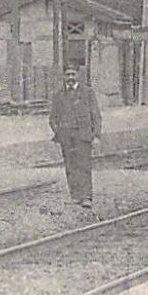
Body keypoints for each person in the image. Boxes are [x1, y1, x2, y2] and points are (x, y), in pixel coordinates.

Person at [49, 64, 102, 207]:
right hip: (66, 137)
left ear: (78, 75)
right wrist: (58, 131)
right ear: (64, 77)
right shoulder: (58, 95)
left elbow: (96, 115)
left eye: (73, 74)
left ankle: (86, 197)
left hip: (83, 136)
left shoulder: (88, 93)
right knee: (70, 167)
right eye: (68, 75)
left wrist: (96, 135)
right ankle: (75, 196)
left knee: (84, 165)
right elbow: (52, 118)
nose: (71, 78)